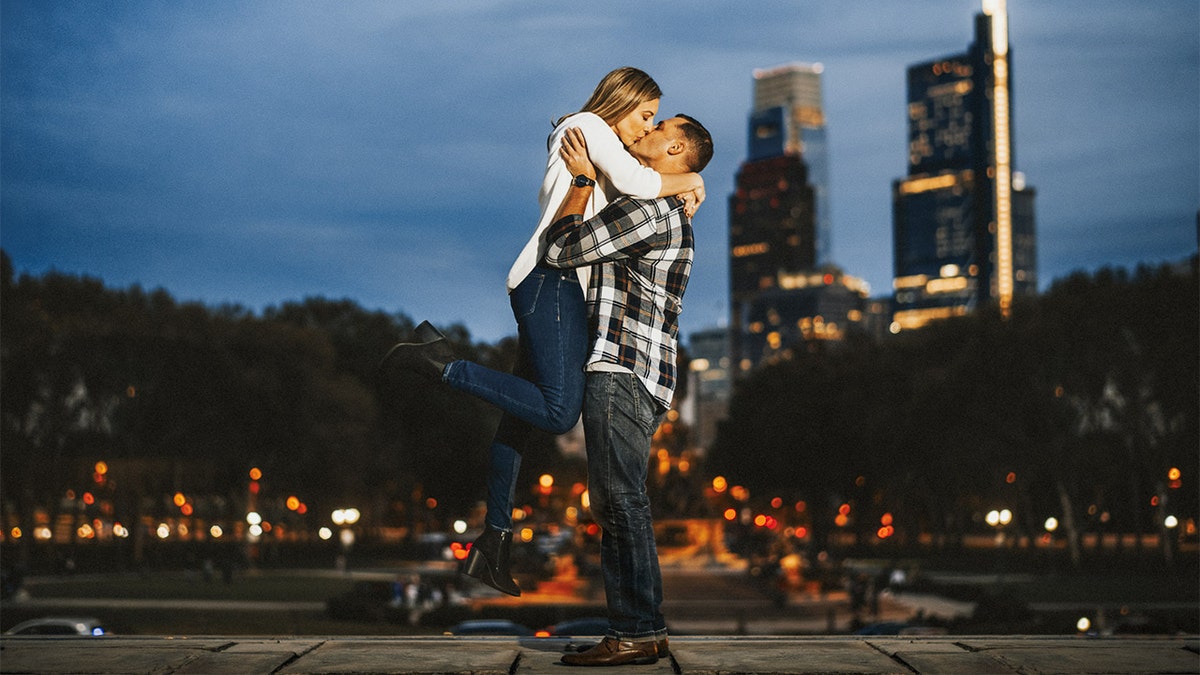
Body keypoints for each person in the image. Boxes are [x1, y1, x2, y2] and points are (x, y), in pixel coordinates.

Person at [381, 68, 705, 597]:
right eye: (645, 115)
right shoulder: (588, 128)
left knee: (519, 418)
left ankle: (495, 539)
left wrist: (689, 174)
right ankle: (440, 364)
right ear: (621, 101)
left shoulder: (606, 149)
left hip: (554, 285)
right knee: (558, 412)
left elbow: (641, 185)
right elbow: (642, 182)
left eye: (654, 123)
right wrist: (692, 179)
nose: (645, 129)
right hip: (550, 280)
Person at [544, 116, 713, 666]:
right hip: (647, 375)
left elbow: (560, 249)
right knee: (621, 500)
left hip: (620, 368)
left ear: (676, 146)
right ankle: (646, 629)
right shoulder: (668, 208)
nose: (647, 128)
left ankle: (635, 632)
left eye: (659, 123)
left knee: (619, 502)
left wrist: (581, 181)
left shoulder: (648, 211)